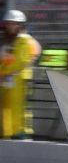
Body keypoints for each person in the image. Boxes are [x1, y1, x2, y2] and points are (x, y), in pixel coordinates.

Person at [1, 9, 42, 139]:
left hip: (18, 79)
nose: (10, 26)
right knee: (5, 107)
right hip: (5, 79)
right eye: (8, 23)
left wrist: (2, 71)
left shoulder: (24, 40)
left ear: (20, 25)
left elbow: (20, 61)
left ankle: (20, 133)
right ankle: (7, 133)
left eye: (13, 23)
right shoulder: (6, 41)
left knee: (18, 107)